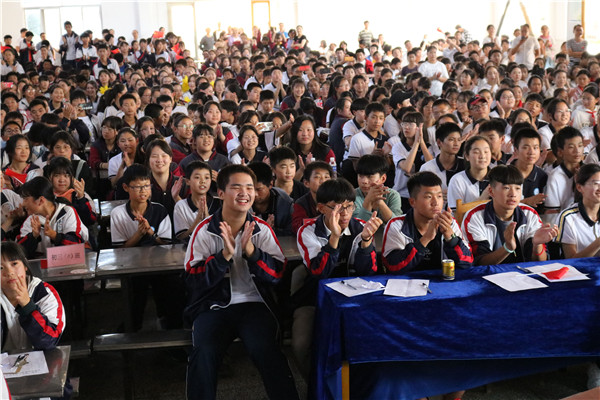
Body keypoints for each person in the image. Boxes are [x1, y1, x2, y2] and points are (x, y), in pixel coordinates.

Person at [184, 164, 299, 400]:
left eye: (249, 187)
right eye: (236, 187)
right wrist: (222, 257)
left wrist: (252, 252)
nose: (244, 193)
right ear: (220, 193)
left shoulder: (262, 230)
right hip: (213, 306)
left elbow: (277, 275)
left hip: (255, 305)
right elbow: (193, 282)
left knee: (267, 350)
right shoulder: (204, 232)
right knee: (204, 353)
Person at [294, 178, 382, 378]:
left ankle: (361, 386)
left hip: (354, 297)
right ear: (320, 208)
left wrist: (366, 241)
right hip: (315, 298)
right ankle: (317, 387)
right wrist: (334, 238)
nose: (344, 214)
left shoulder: (360, 227)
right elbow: (319, 273)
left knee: (375, 332)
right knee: (301, 343)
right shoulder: (307, 232)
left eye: (349, 207)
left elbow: (367, 273)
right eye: (336, 208)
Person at [461, 165, 558, 265]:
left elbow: (539, 263)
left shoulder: (530, 214)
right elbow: (478, 264)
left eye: (517, 188)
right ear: (491, 191)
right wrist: (507, 248)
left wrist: (537, 244)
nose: (513, 194)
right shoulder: (475, 217)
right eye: (506, 188)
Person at [382, 171, 473, 274]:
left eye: (439, 196)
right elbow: (393, 266)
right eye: (428, 197)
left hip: (441, 284)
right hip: (407, 285)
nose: (436, 203)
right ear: (412, 202)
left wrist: (450, 237)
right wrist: (426, 239)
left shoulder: (450, 223)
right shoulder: (396, 226)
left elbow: (467, 262)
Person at [0, 241, 66, 351]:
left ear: (25, 265)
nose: (9, 272)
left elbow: (49, 341)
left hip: (41, 363)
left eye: (14, 264)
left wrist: (28, 306)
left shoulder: (44, 293)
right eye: (0, 268)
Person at [16, 177, 89, 258]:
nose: (23, 204)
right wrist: (33, 236)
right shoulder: (31, 221)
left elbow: (76, 243)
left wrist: (54, 235)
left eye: (26, 199)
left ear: (41, 200)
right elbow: (19, 252)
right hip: (44, 267)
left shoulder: (67, 212)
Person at [557, 163, 600, 258]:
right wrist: (598, 243)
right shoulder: (568, 217)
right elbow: (571, 259)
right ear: (580, 187)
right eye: (596, 184)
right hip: (581, 271)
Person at [544, 127, 584, 222]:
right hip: (565, 224)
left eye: (580, 145)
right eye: (571, 147)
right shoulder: (555, 176)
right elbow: (552, 212)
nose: (577, 151)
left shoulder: (591, 172)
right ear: (560, 152)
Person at [174, 161, 221, 242]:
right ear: (188, 181)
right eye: (197, 177)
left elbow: (222, 235)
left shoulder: (219, 203)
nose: (203, 181)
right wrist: (197, 222)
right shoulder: (181, 206)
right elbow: (181, 238)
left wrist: (207, 219)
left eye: (206, 178)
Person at [419, 122, 465, 199]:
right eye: (451, 140)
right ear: (439, 142)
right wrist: (437, 195)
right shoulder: (427, 168)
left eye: (459, 140)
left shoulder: (466, 165)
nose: (456, 144)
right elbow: (421, 194)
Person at [447, 136, 492, 210]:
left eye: (486, 152)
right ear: (467, 156)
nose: (482, 156)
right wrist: (482, 199)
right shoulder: (457, 180)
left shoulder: (499, 178)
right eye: (476, 152)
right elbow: (456, 214)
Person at [354, 154, 402, 223]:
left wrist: (380, 202)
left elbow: (396, 224)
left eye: (369, 176)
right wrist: (369, 200)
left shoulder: (393, 195)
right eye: (360, 176)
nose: (364, 181)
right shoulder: (352, 196)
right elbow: (356, 225)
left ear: (383, 178)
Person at [292, 161, 332, 233]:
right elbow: (298, 227)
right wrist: (324, 217)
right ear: (306, 183)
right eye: (317, 177)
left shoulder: (337, 199)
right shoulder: (301, 203)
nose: (323, 181)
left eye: (326, 177)